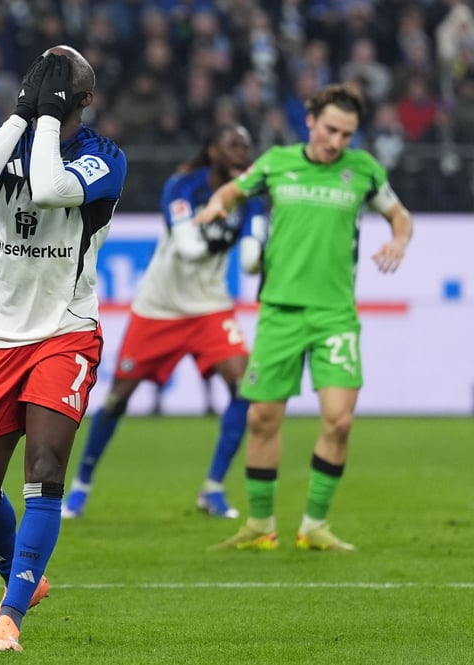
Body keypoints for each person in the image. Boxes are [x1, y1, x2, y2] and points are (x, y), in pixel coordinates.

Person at [0, 48, 127, 652]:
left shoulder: (106, 158)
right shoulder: (2, 142)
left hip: (65, 333)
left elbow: (53, 191)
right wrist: (24, 115)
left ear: (82, 101)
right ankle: (23, 580)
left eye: (56, 88)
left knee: (45, 472)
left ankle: (11, 615)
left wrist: (47, 120)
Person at [196, 83, 412, 553]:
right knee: (262, 418)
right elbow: (234, 190)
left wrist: (398, 240)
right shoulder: (277, 163)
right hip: (279, 313)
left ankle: (314, 524)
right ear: (311, 120)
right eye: (331, 129)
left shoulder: (364, 170)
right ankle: (260, 524)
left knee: (339, 422)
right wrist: (218, 203)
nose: (337, 142)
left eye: (348, 134)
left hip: (335, 315)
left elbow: (401, 217)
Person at [62, 125, 269, 521]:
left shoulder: (251, 197)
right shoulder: (182, 186)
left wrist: (259, 244)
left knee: (245, 389)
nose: (242, 153)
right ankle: (81, 487)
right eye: (233, 145)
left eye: (246, 146)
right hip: (159, 307)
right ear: (211, 150)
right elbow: (188, 248)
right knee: (117, 399)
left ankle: (213, 488)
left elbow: (248, 260)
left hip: (211, 306)